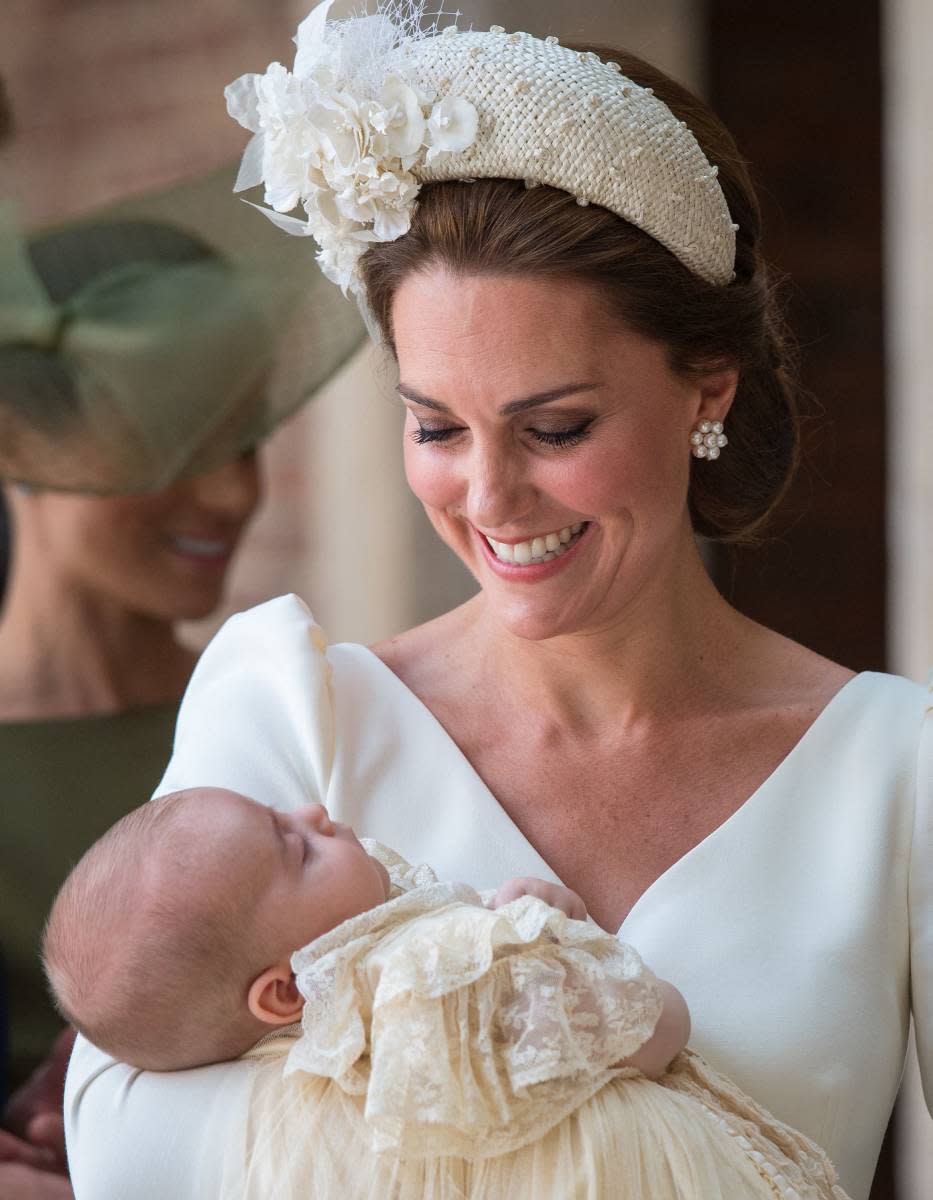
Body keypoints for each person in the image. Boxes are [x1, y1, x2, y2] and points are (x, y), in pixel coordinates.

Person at [64, 5, 931, 1200]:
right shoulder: (295, 714)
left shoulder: (895, 772)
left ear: (705, 393)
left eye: (556, 427)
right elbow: (123, 1149)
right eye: (435, 427)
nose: (489, 496)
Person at [0, 184, 362, 1199]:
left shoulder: (302, 715)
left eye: (243, 439)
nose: (232, 495)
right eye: (177, 444)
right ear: (15, 436)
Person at [49, 786, 846, 1199]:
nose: (314, 811)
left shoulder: (344, 1055)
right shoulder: (433, 985)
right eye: (292, 847)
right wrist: (559, 936)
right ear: (285, 993)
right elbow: (648, 1030)